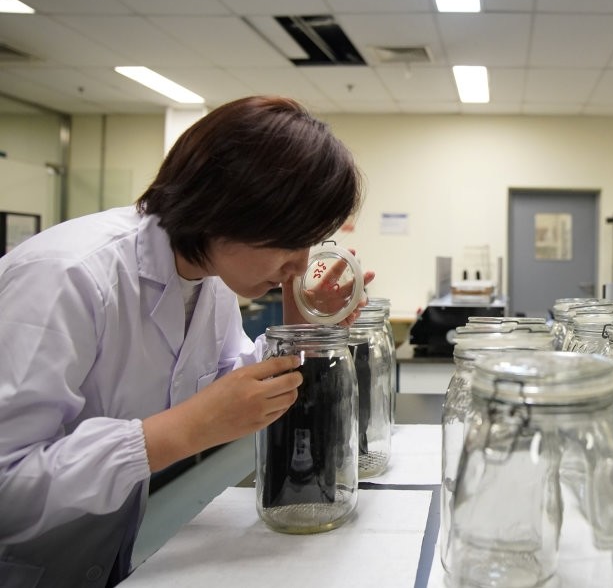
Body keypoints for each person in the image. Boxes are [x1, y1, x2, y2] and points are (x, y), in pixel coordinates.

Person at [0, 96, 375, 587]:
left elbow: (231, 386)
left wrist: (297, 335)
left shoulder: (206, 282)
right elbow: (8, 483)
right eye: (289, 240)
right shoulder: (65, 277)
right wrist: (179, 432)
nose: (301, 266)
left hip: (99, 556)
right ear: (228, 208)